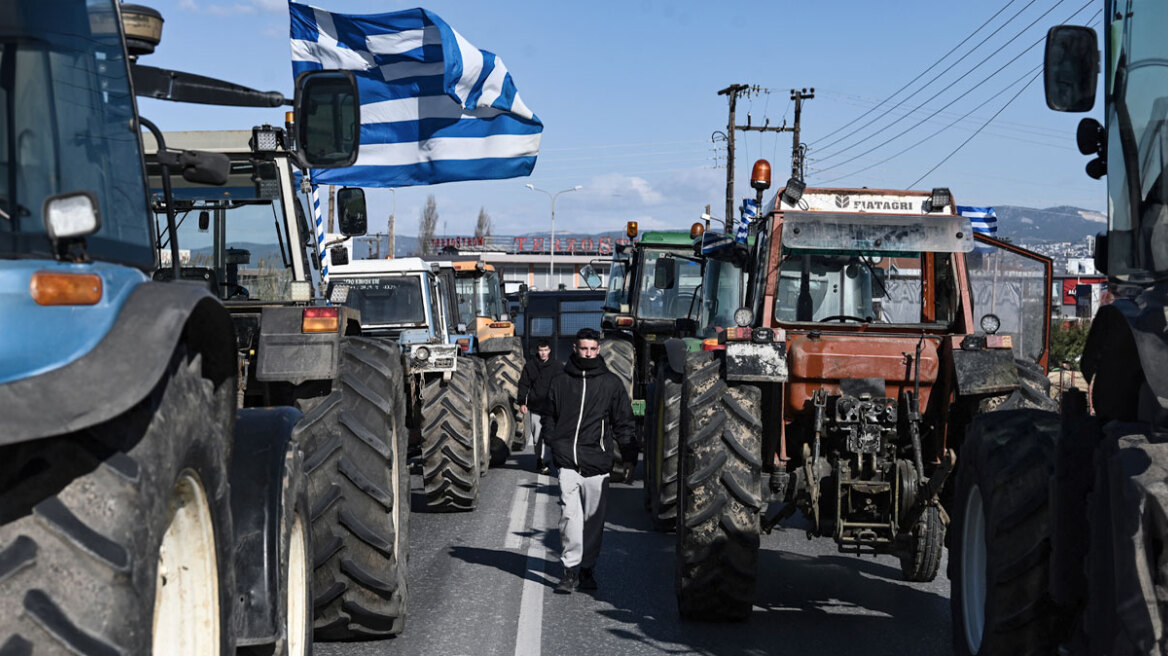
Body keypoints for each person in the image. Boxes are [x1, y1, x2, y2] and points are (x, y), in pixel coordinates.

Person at [543, 328, 637, 594]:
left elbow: (624, 423)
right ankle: (570, 571)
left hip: (597, 465)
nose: (588, 353)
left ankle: (587, 569)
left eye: (593, 349)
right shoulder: (560, 381)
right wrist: (553, 441)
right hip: (568, 463)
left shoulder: (610, 383)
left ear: (599, 350)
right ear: (575, 348)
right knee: (569, 518)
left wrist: (629, 458)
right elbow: (549, 415)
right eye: (584, 348)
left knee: (594, 522)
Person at [516, 338, 562, 475]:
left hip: (552, 407)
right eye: (541, 350)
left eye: (545, 350)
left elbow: (564, 385)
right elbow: (524, 384)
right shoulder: (530, 366)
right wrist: (522, 402)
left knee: (549, 435)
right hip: (535, 406)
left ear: (549, 351)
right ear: (538, 351)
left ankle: (545, 461)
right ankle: (539, 459)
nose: (543, 353)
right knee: (537, 436)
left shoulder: (557, 366)